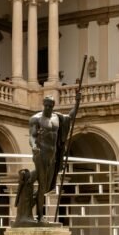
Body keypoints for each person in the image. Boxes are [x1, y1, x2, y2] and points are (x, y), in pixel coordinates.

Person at [29, 93, 80, 222]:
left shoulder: (57, 118)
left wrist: (77, 103)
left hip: (53, 154)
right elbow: (32, 136)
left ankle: (28, 205)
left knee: (47, 187)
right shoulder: (36, 118)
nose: (47, 108)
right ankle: (40, 216)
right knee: (42, 185)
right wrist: (34, 146)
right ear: (43, 105)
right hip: (41, 153)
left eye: (50, 106)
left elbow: (71, 116)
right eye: (45, 105)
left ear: (53, 106)